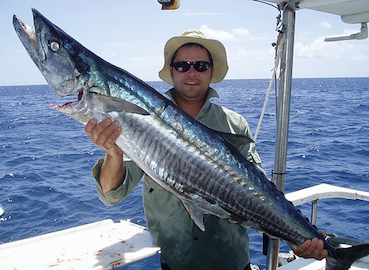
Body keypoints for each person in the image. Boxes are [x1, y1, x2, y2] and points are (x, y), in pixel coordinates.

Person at [85, 30, 328, 270]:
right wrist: (113, 153)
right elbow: (110, 194)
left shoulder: (234, 125)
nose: (191, 72)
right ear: (172, 72)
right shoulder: (142, 121)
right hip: (175, 263)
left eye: (200, 66)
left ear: (211, 72)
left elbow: (259, 196)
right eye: (182, 66)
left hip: (230, 263)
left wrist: (296, 237)